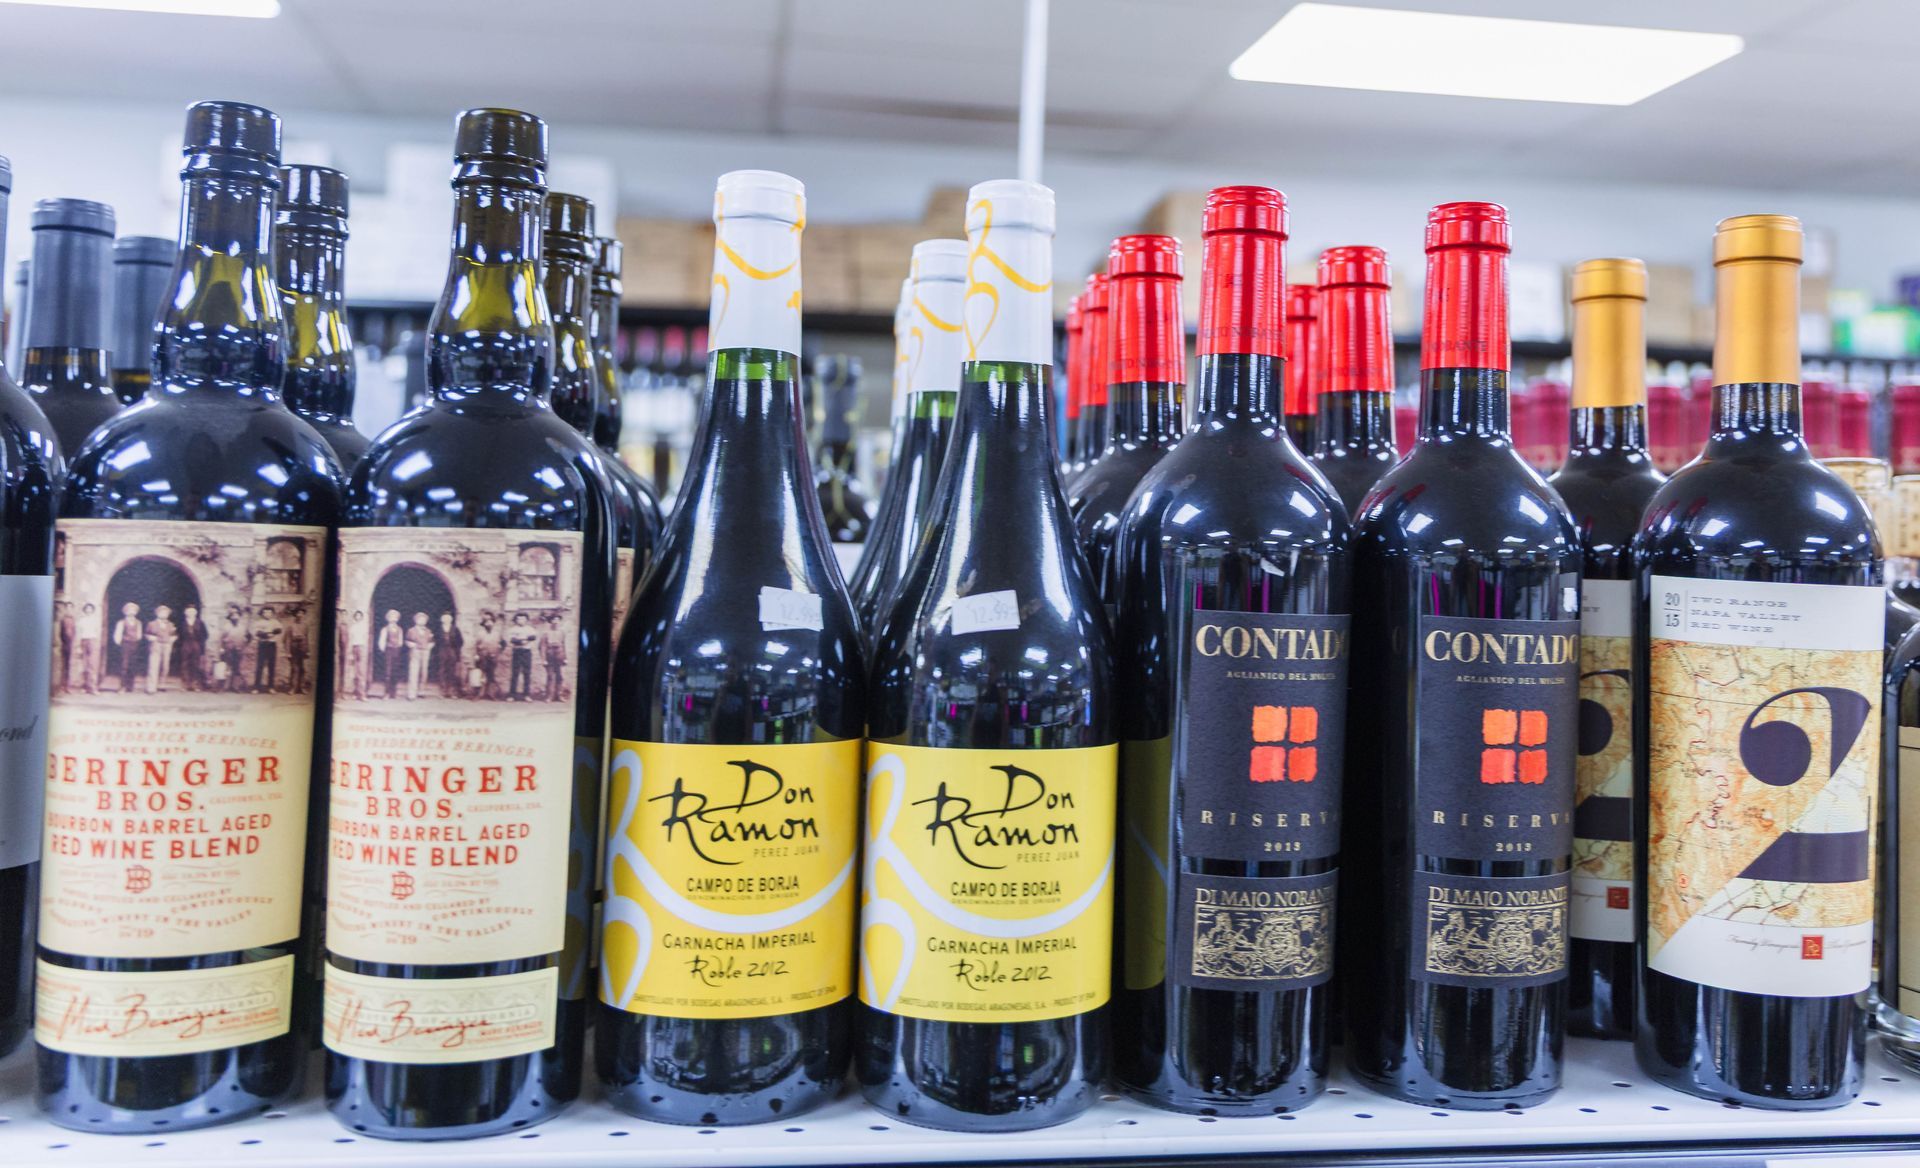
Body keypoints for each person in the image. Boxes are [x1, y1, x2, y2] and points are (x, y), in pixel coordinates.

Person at [113, 601, 144, 694]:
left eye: (133, 610)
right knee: (124, 665)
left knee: (133, 665)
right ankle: (122, 686)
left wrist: (135, 640)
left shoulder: (138, 622)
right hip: (125, 645)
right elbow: (117, 635)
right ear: (125, 611)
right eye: (129, 610)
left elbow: (139, 634)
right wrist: (121, 643)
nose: (131, 612)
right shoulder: (121, 622)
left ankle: (130, 686)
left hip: (134, 644)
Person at [145, 604, 177, 694]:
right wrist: (151, 638)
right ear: (157, 613)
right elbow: (147, 634)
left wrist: (172, 639)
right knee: (153, 665)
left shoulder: (171, 624)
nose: (164, 614)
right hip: (156, 645)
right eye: (162, 612)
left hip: (167, 646)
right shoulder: (151, 624)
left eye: (166, 613)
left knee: (165, 666)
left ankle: (162, 684)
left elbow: (174, 635)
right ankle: (151, 687)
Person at [252, 605, 284, 693]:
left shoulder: (275, 622)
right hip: (262, 644)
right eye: (265, 612)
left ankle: (271, 687)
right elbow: (256, 632)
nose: (267, 614)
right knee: (260, 666)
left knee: (271, 666)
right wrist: (266, 635)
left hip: (271, 645)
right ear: (262, 613)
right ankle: (256, 687)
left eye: (269, 612)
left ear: (272, 613)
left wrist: (271, 633)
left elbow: (279, 629)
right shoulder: (258, 622)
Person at [177, 604, 208, 691]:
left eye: (192, 612)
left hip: (196, 644)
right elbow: (179, 635)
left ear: (195, 613)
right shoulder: (182, 623)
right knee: (184, 664)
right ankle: (185, 684)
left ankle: (195, 684)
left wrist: (200, 643)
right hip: (185, 644)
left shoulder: (200, 623)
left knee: (196, 664)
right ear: (186, 613)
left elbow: (205, 635)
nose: (190, 613)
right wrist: (181, 644)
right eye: (189, 612)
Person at [376, 609, 406, 698]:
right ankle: (386, 693)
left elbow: (400, 641)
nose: (393, 619)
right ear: (388, 618)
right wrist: (384, 649)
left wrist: (397, 647)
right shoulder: (385, 629)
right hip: (388, 650)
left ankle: (393, 693)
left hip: (396, 650)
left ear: (397, 619)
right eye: (391, 617)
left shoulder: (399, 629)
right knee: (387, 672)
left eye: (395, 617)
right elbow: (381, 641)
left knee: (395, 671)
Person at [507, 611, 536, 701]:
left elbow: (533, 637)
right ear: (516, 620)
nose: (521, 620)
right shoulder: (513, 629)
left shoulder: (530, 629)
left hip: (526, 652)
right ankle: (512, 695)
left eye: (523, 618)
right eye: (519, 618)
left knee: (527, 673)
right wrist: (520, 641)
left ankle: (526, 695)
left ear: (526, 620)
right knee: (515, 673)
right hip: (517, 651)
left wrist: (524, 639)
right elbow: (512, 640)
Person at [434, 611, 464, 698]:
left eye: (448, 618)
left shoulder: (455, 629)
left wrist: (455, 649)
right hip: (442, 650)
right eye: (444, 618)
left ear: (451, 619)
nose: (446, 619)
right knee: (442, 671)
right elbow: (435, 640)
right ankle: (443, 691)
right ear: (442, 619)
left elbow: (461, 641)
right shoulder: (438, 629)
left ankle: (452, 692)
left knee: (452, 671)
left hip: (452, 650)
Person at [405, 611, 434, 700]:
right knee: (414, 671)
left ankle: (421, 691)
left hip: (425, 652)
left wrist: (430, 646)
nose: (422, 621)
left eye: (424, 619)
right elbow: (407, 641)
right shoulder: (411, 630)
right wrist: (412, 645)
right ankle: (411, 693)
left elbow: (431, 641)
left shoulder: (428, 631)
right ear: (416, 620)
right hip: (415, 651)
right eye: (420, 619)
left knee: (424, 672)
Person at [542, 612, 568, 702]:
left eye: (557, 619)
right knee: (550, 676)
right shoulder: (546, 633)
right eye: (554, 619)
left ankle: (559, 695)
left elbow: (564, 645)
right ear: (550, 621)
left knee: (560, 676)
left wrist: (565, 658)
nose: (556, 621)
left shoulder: (562, 632)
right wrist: (543, 659)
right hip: (550, 654)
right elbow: (542, 646)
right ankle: (549, 696)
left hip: (559, 654)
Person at [220, 607, 247, 692]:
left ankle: (235, 686)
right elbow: (221, 638)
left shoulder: (242, 627)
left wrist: (244, 645)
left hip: (238, 650)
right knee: (227, 667)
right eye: (233, 615)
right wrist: (222, 648)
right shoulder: (226, 627)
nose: (235, 617)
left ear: (239, 616)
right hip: (228, 649)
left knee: (237, 668)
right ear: (230, 617)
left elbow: (248, 637)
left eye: (237, 615)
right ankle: (225, 686)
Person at [473, 613, 498, 700]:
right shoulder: (480, 633)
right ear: (484, 624)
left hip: (492, 657)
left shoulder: (496, 634)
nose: (489, 624)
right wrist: (476, 654)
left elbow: (502, 643)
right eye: (486, 622)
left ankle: (490, 694)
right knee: (480, 675)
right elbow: (475, 645)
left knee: (491, 676)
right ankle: (478, 694)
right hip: (482, 657)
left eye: (491, 622)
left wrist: (498, 651)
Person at [75, 602, 98, 694]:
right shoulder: (81, 621)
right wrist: (78, 646)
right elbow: (79, 634)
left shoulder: (95, 620)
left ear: (92, 610)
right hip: (83, 641)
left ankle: (92, 687)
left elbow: (96, 632)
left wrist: (94, 642)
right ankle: (83, 686)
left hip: (92, 641)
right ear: (85, 610)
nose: (89, 611)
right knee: (83, 665)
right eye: (87, 609)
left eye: (90, 609)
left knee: (91, 664)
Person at [287, 607, 309, 695]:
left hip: (302, 648)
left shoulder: (305, 626)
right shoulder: (291, 626)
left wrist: (307, 650)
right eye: (298, 613)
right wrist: (288, 652)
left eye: (302, 613)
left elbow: (307, 638)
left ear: (303, 615)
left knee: (303, 669)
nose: (300, 615)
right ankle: (293, 688)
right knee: (294, 668)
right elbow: (287, 639)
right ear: (295, 615)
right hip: (294, 647)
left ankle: (302, 687)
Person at [54, 601, 74, 695]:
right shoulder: (62, 620)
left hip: (70, 645)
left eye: (71, 608)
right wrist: (62, 643)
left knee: (68, 666)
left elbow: (74, 632)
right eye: (67, 608)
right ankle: (60, 686)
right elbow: (60, 633)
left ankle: (67, 687)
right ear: (65, 609)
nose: (69, 609)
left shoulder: (73, 619)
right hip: (63, 644)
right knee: (61, 666)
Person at [348, 609, 367, 700]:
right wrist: (351, 653)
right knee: (354, 672)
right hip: (354, 647)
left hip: (361, 647)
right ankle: (355, 693)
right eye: (357, 616)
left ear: (361, 617)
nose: (358, 617)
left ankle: (362, 694)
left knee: (361, 672)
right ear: (355, 617)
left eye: (360, 616)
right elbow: (351, 640)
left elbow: (365, 638)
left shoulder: (363, 627)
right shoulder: (353, 627)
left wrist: (363, 649)